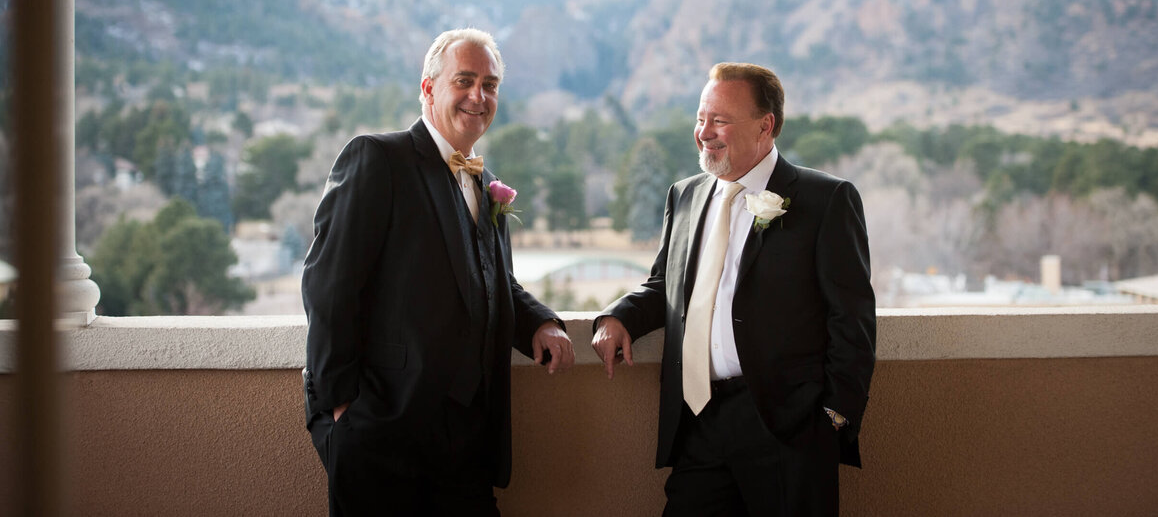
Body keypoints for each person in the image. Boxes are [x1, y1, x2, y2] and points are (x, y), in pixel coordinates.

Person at [302, 27, 575, 516]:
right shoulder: (378, 158)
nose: (479, 95)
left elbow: (492, 279)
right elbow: (328, 286)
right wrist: (343, 409)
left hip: (469, 442)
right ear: (428, 89)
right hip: (382, 432)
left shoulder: (484, 180)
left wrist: (540, 323)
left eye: (490, 85)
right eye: (464, 80)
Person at [592, 62, 875, 516]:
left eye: (720, 120)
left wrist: (832, 420)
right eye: (701, 118)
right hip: (699, 423)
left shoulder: (826, 200)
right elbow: (667, 284)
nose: (704, 132)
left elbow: (853, 321)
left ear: (767, 125)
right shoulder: (684, 195)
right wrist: (619, 315)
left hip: (788, 430)